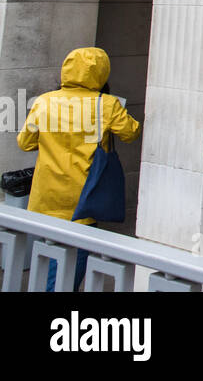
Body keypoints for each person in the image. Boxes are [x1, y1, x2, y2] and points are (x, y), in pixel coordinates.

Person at [16, 47, 141, 291]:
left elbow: (26, 143)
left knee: (47, 260)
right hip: (83, 199)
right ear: (102, 73)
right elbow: (131, 133)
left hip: (45, 198)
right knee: (69, 269)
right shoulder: (106, 105)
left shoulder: (44, 101)